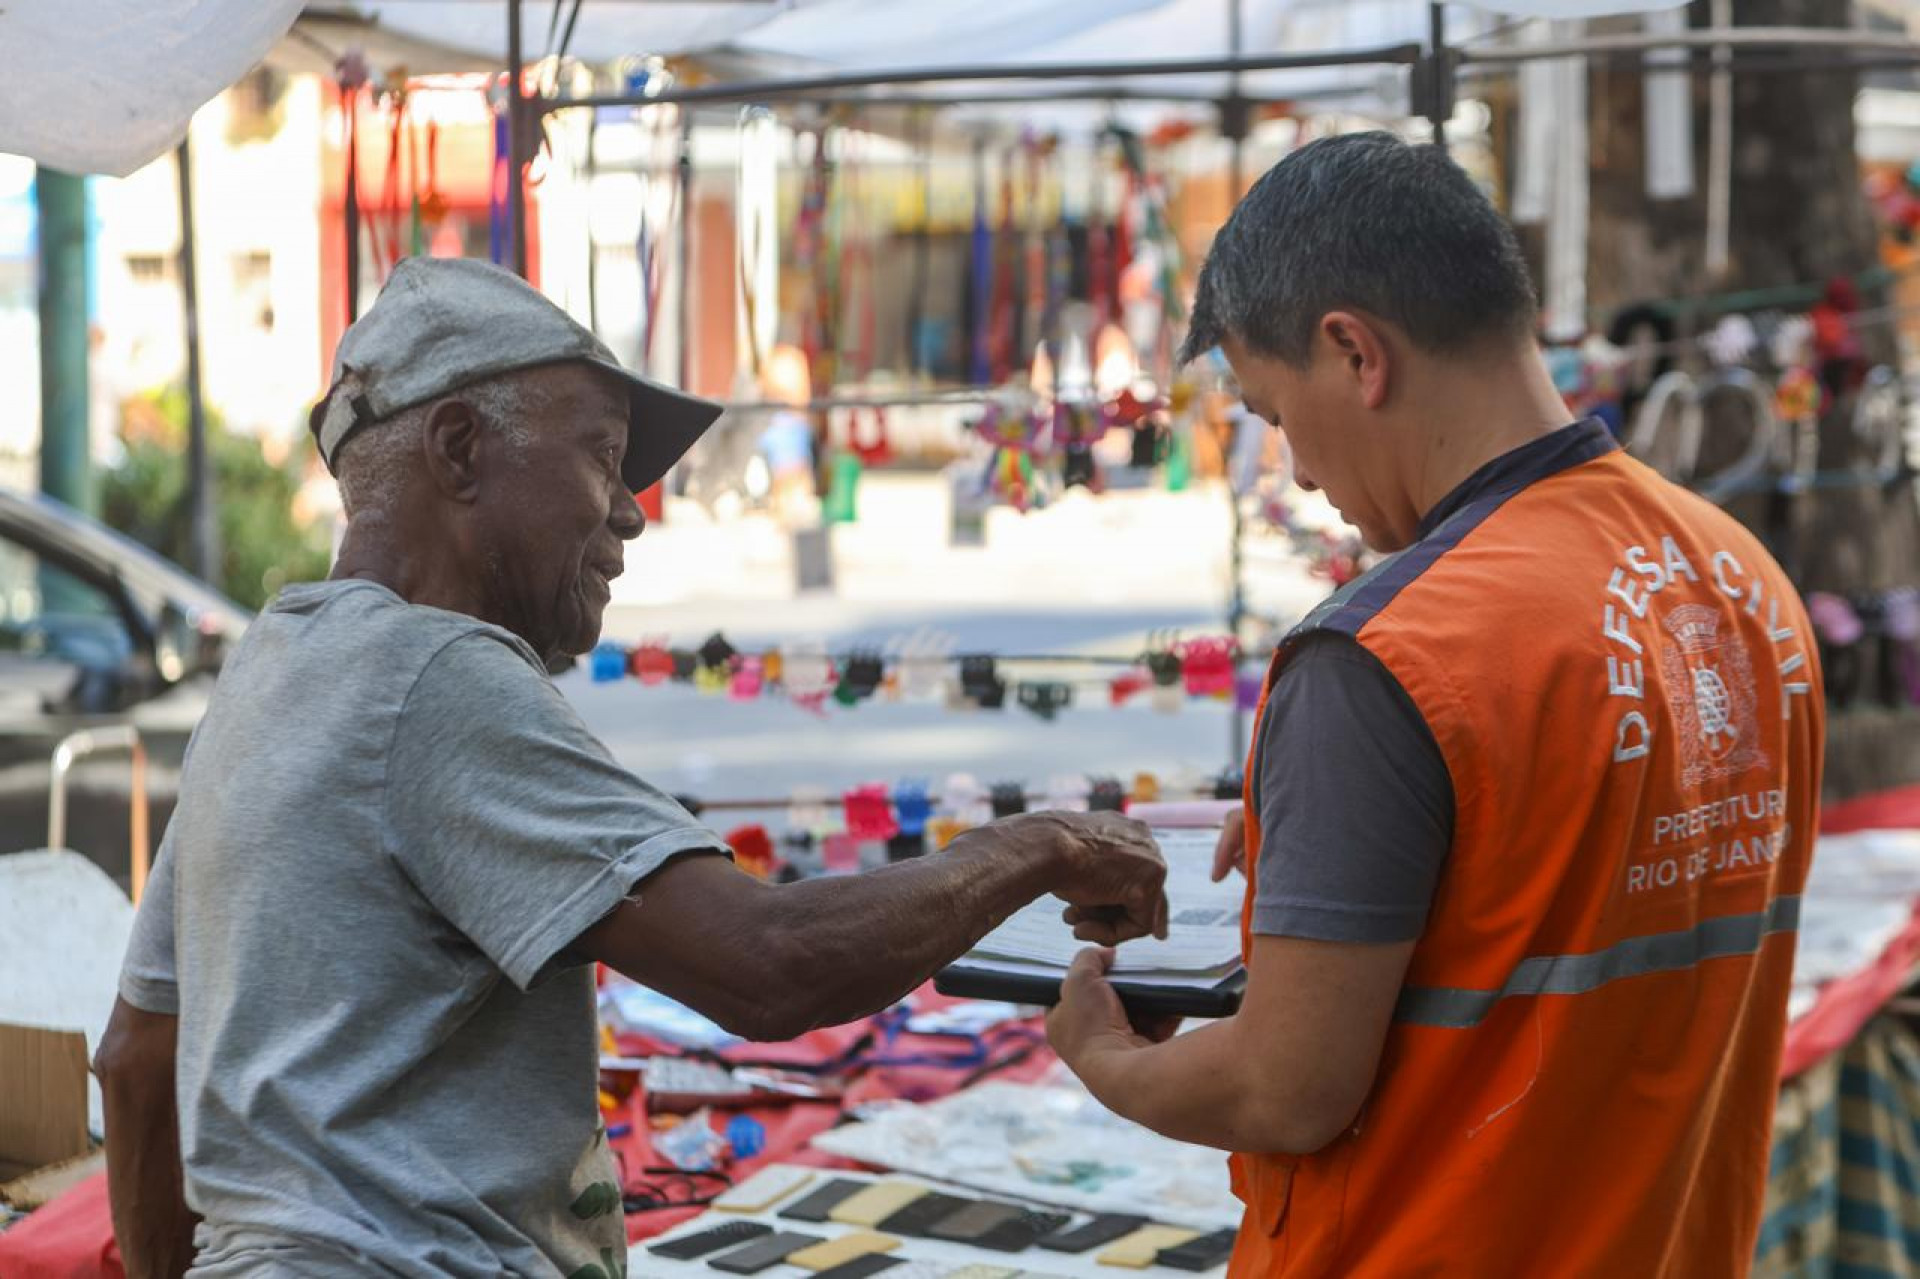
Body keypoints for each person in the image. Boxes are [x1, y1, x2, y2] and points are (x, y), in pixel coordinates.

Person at [96, 257, 1169, 1279]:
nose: (630, 511)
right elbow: (768, 962)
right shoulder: (436, 674)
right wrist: (1040, 845)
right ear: (460, 450)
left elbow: (139, 1060)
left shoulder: (275, 667)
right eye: (603, 456)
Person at [1045, 132, 1825, 1277]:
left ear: (1356, 351)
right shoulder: (1739, 576)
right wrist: (1338, 826)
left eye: (1273, 414)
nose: (1299, 470)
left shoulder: (1384, 650)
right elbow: (1564, 864)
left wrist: (1104, 1056)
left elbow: (1285, 1085)